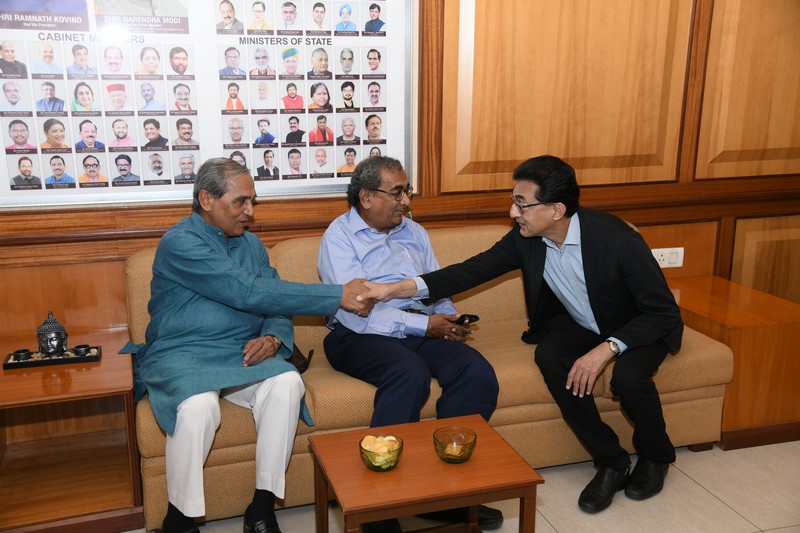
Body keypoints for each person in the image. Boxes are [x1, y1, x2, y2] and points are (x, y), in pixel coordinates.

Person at [359, 155, 684, 515]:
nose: (513, 213)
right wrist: (393, 290)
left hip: (640, 325)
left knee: (629, 376)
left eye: (522, 204)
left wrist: (607, 348)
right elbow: (467, 272)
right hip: (582, 324)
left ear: (557, 210)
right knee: (550, 356)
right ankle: (611, 460)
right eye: (513, 201)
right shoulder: (526, 239)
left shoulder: (617, 239)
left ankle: (656, 456)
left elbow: (662, 312)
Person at [132, 157, 371, 533]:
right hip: (182, 353)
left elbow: (273, 300)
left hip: (239, 352)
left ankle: (261, 509)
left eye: (252, 201)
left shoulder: (251, 245)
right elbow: (246, 291)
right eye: (240, 201)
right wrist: (336, 295)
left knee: (287, 382)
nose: (250, 211)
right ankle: (178, 520)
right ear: (206, 199)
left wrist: (273, 337)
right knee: (197, 406)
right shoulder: (179, 242)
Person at [318, 156, 502, 532]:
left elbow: (435, 285)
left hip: (418, 328)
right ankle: (379, 508)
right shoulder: (339, 237)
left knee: (475, 370)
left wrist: (448, 319)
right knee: (409, 373)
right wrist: (424, 325)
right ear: (366, 197)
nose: (405, 201)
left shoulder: (414, 232)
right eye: (397, 192)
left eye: (407, 191)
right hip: (359, 335)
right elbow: (356, 310)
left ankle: (445, 495)